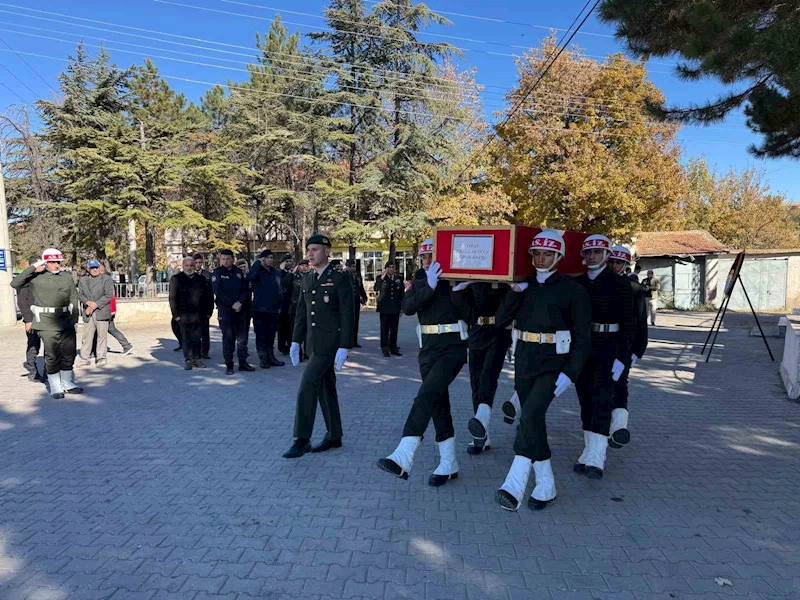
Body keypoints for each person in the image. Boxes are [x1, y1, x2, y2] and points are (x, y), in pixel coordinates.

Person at [493, 230, 591, 511]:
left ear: (558, 256)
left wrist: (570, 374)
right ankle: (546, 485)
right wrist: (514, 292)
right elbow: (500, 321)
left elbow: (583, 338)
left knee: (533, 413)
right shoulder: (525, 287)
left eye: (546, 254)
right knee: (534, 421)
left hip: (554, 364)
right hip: (525, 361)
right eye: (535, 253)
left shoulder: (573, 290)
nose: (540, 259)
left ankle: (514, 483)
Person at [376, 238, 469, 487]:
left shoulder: (456, 283)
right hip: (427, 350)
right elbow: (406, 307)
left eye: (432, 257)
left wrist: (459, 289)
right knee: (438, 404)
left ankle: (405, 452)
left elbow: (472, 313)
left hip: (452, 349)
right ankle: (449, 463)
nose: (428, 261)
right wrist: (428, 287)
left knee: (426, 394)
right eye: (424, 258)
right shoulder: (418, 283)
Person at [284, 234, 354, 459]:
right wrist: (296, 340)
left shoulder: (340, 278)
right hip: (314, 344)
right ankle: (335, 435)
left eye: (315, 249)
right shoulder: (308, 278)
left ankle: (301, 439)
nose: (310, 254)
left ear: (327, 252)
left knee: (307, 386)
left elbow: (347, 313)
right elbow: (301, 314)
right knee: (326, 388)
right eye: (309, 250)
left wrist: (345, 345)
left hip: (330, 344)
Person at [572, 234, 635, 480]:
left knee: (601, 401)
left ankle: (597, 458)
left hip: (609, 348)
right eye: (588, 253)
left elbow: (630, 324)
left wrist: (624, 357)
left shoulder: (620, 284)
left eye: (597, 252)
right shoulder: (577, 283)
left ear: (607, 255)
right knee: (585, 401)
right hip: (582, 349)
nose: (592, 257)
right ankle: (588, 453)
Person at [11, 248, 83, 399]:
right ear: (46, 262)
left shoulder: (66, 277)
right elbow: (15, 283)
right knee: (52, 355)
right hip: (45, 321)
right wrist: (33, 268)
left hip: (65, 320)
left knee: (69, 353)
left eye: (58, 262)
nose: (57, 265)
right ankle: (55, 385)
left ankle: (67, 382)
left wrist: (75, 320)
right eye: (53, 262)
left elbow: (73, 298)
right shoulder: (36, 277)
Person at [456, 280, 512, 455]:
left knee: (488, 377)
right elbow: (464, 309)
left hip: (498, 332)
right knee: (476, 383)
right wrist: (459, 290)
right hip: (477, 333)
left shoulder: (502, 278)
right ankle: (482, 435)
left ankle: (481, 421)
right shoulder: (470, 279)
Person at [607, 246, 648, 449]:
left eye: (619, 263)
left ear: (626, 265)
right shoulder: (599, 284)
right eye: (612, 261)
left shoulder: (635, 288)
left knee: (620, 383)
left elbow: (641, 320)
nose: (615, 266)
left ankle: (619, 428)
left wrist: (638, 349)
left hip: (624, 345)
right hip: (599, 343)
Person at [213, 249, 255, 375]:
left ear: (232, 259)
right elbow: (218, 292)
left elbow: (246, 290)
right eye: (223, 259)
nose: (225, 261)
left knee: (242, 339)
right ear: (220, 259)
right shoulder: (217, 273)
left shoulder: (239, 273)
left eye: (228, 259)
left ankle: (243, 363)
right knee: (228, 339)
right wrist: (232, 304)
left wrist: (240, 303)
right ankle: (229, 365)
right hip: (226, 311)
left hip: (241, 310)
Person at [169, 256, 214, 370]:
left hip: (199, 315)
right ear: (183, 266)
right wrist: (176, 315)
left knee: (197, 338)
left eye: (191, 265)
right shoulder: (176, 279)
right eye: (187, 266)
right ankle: (188, 359)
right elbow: (172, 298)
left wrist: (209, 312)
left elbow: (209, 296)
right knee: (186, 339)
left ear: (195, 266)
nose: (189, 268)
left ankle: (197, 359)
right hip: (183, 315)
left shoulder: (201, 279)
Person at [248, 249, 284, 369]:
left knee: (271, 334)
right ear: (262, 259)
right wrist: (257, 262)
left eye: (271, 257)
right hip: (260, 309)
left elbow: (279, 288)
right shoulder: (258, 271)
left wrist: (279, 305)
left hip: (273, 309)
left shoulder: (275, 272)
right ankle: (263, 358)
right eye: (267, 257)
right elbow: (250, 276)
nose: (270, 260)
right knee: (261, 335)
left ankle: (271, 357)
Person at [78, 260, 114, 367]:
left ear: (99, 268)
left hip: (101, 311)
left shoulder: (106, 279)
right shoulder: (83, 280)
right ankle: (85, 358)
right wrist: (88, 303)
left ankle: (101, 358)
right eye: (92, 268)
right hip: (88, 312)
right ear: (88, 269)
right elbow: (79, 294)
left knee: (101, 336)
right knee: (87, 337)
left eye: (96, 267)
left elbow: (108, 295)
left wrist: (95, 305)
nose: (95, 270)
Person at [91, 264, 133, 357]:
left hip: (106, 310)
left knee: (100, 330)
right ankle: (126, 346)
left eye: (95, 269)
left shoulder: (104, 280)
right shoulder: (107, 280)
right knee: (108, 329)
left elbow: (107, 297)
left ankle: (94, 352)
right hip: (109, 310)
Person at [15, 256, 44, 382]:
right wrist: (28, 320)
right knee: (33, 345)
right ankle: (32, 370)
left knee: (49, 346)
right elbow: (22, 302)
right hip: (32, 318)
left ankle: (48, 373)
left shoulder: (43, 278)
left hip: (45, 317)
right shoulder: (24, 280)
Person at [373, 261, 405, 357]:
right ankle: (384, 347)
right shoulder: (380, 278)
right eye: (390, 267)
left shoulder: (399, 278)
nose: (392, 269)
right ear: (386, 268)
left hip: (395, 307)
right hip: (384, 308)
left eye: (393, 267)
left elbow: (402, 294)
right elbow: (376, 288)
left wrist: (402, 307)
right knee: (384, 329)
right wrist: (382, 278)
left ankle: (393, 347)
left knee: (394, 329)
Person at [290, 259, 310, 362]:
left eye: (306, 265)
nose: (304, 267)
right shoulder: (293, 277)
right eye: (302, 265)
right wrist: (291, 273)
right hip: (295, 307)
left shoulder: (310, 277)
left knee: (308, 331)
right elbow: (285, 286)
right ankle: (298, 353)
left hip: (308, 307)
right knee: (297, 330)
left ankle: (308, 352)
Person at [345, 259, 368, 347]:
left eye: (355, 266)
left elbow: (360, 286)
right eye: (353, 266)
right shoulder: (344, 275)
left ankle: (354, 340)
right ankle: (348, 341)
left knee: (356, 320)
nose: (354, 268)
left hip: (356, 300)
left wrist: (364, 296)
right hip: (347, 301)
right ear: (348, 266)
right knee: (348, 321)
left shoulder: (357, 275)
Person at [193, 253, 212, 359]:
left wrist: (210, 310)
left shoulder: (207, 275)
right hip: (194, 309)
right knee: (195, 331)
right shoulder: (189, 275)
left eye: (200, 262)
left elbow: (210, 294)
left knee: (205, 332)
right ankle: (196, 351)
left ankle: (205, 351)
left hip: (204, 309)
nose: (198, 265)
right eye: (196, 263)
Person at [277, 253, 295, 355]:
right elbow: (282, 284)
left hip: (292, 303)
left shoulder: (293, 273)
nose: (289, 263)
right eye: (286, 261)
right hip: (282, 304)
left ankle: (290, 345)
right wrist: (282, 270)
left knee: (291, 326)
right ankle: (282, 346)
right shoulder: (279, 273)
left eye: (290, 261)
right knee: (282, 327)